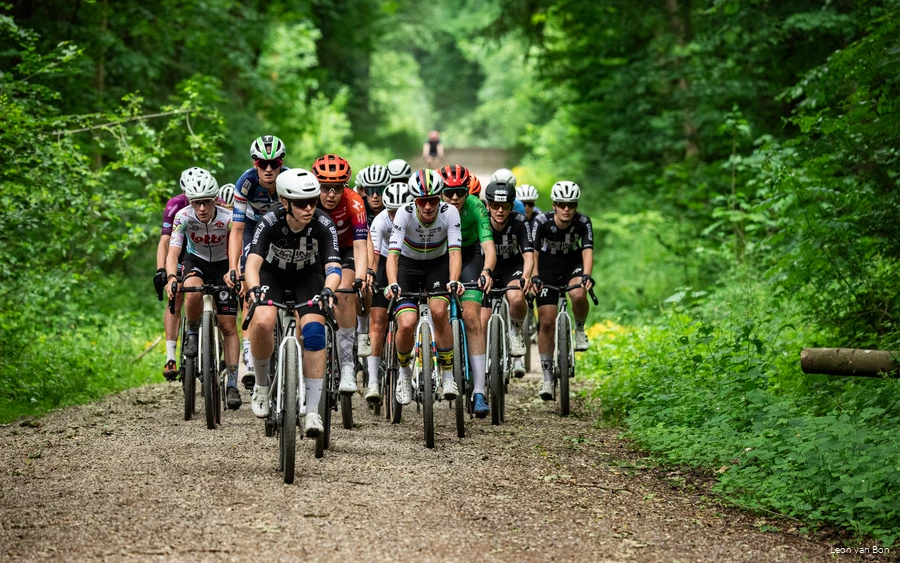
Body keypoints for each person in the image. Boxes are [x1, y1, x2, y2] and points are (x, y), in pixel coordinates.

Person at [243, 168, 342, 437]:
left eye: (312, 201)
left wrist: (328, 291)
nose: (309, 208)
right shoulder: (269, 221)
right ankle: (262, 386)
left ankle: (312, 410)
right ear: (285, 202)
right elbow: (252, 264)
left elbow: (333, 267)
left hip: (308, 277)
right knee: (263, 321)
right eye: (301, 203)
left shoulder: (324, 223)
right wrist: (253, 289)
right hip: (271, 274)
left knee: (313, 331)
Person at [164, 168, 242, 410]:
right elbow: (173, 251)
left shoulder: (228, 217)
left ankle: (231, 384)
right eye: (196, 203)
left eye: (206, 202)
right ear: (190, 201)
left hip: (222, 264)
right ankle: (193, 333)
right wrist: (169, 277)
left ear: (214, 199)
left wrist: (235, 269)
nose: (201, 209)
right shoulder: (183, 217)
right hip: (195, 262)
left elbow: (240, 244)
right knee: (192, 290)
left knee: (228, 326)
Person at [384, 169, 463, 405]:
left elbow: (455, 252)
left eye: (433, 200)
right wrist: (393, 283)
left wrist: (454, 279)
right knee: (407, 323)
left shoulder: (451, 213)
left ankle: (448, 376)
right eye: (422, 201)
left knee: (440, 312)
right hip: (408, 265)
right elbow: (392, 256)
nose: (428, 206)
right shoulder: (404, 214)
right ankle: (405, 375)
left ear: (440, 198)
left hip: (436, 265)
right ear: (414, 200)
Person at [225, 135, 288, 387]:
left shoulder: (288, 180)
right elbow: (237, 231)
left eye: (275, 163)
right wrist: (233, 268)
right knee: (247, 281)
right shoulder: (245, 183)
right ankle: (249, 349)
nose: (269, 168)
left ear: (282, 163)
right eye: (263, 163)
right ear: (255, 164)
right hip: (252, 226)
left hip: (281, 227)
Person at [439, 164, 497, 418]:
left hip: (469, 253)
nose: (454, 198)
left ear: (467, 193)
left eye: (460, 193)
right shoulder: (431, 206)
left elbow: (489, 247)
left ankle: (480, 392)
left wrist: (486, 272)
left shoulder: (476, 206)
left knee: (472, 317)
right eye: (448, 193)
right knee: (436, 311)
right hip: (439, 255)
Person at [530, 181, 595, 401]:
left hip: (571, 265)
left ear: (576, 206)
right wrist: (535, 276)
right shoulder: (541, 221)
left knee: (578, 293)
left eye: (571, 204)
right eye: (561, 204)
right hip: (547, 266)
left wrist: (586, 275)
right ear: (554, 205)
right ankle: (547, 378)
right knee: (547, 321)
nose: (566, 209)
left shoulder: (583, 222)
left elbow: (587, 251)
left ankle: (579, 328)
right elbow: (534, 252)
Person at [312, 154, 370, 394]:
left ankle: (347, 365)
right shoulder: (308, 200)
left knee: (345, 293)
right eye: (325, 188)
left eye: (337, 188)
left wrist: (362, 276)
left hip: (345, 249)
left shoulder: (354, 202)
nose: (331, 194)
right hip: (315, 251)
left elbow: (360, 245)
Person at [364, 181, 413, 402]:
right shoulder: (381, 220)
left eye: (400, 211)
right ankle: (373, 381)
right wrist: (371, 276)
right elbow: (374, 254)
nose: (396, 217)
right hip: (385, 261)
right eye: (392, 211)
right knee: (377, 321)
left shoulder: (417, 218)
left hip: (410, 262)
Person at [480, 180, 534, 378]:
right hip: (486, 269)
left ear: (512, 206)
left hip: (512, 267)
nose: (500, 210)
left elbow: (528, 254)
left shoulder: (519, 221)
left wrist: (526, 276)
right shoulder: (481, 220)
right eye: (495, 205)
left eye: (505, 206)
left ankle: (516, 332)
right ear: (488, 205)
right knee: (482, 323)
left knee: (518, 297)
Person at [153, 168, 196, 381]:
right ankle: (171, 356)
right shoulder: (175, 205)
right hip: (178, 253)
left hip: (203, 254)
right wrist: (162, 270)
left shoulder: (210, 202)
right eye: (189, 195)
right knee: (175, 295)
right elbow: (164, 241)